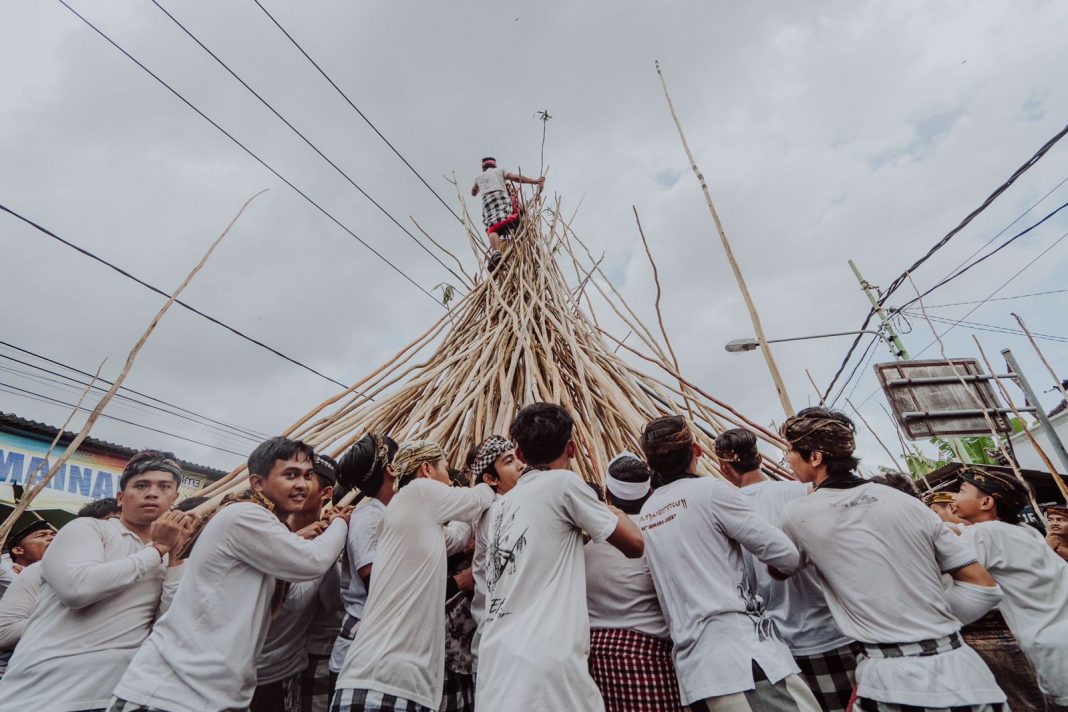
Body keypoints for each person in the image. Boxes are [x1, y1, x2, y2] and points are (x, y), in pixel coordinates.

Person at [777, 407, 1006, 712]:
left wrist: (900, 627)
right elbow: (983, 587)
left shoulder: (799, 513)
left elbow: (780, 568)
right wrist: (926, 620)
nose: (788, 460)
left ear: (815, 457)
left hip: (890, 682)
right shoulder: (906, 503)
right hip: (965, 674)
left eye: (790, 451)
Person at [111, 437, 351, 712]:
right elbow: (312, 561)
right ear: (258, 482)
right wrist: (339, 523)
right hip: (171, 692)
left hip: (217, 694)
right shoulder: (244, 515)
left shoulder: (270, 528)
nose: (301, 484)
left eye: (308, 476)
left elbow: (295, 594)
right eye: (290, 475)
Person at [638, 416, 816, 712]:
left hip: (696, 672)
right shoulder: (710, 492)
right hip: (745, 660)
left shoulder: (648, 512)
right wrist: (777, 568)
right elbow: (785, 554)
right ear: (696, 450)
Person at [476, 403, 645, 711]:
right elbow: (634, 544)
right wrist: (609, 507)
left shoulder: (499, 507)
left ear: (521, 455)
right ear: (572, 447)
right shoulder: (564, 484)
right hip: (548, 671)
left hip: (496, 670)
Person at [0, 450, 192, 711]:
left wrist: (176, 557)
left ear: (174, 498)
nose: (152, 493)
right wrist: (157, 549)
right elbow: (78, 589)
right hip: (42, 693)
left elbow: (168, 626)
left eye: (164, 487)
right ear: (121, 498)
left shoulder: (170, 556)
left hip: (115, 696)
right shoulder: (88, 529)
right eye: (142, 485)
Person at [332, 439, 496, 712]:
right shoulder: (419, 491)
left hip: (389, 683)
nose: (451, 480)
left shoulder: (402, 516)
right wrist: (486, 481)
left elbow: (455, 535)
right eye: (445, 468)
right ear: (426, 470)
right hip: (386, 684)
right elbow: (476, 501)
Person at [715, 428, 858, 712]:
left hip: (777, 646)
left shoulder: (723, 511)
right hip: (836, 629)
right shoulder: (805, 492)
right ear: (758, 456)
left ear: (724, 467)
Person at [954, 467, 1068, 709]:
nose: (955, 498)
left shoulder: (982, 534)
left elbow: (954, 571)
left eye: (962, 491)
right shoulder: (1024, 530)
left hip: (1051, 645)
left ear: (986, 502)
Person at [585, 451, 683, 712]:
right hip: (652, 655)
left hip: (597, 660)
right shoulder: (663, 534)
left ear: (607, 494)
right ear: (650, 493)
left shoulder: (584, 548)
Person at [251, 453, 342, 712]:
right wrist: (304, 545)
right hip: (235, 670)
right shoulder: (262, 526)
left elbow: (332, 602)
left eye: (306, 479)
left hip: (283, 672)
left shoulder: (328, 539)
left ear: (325, 492)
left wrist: (329, 546)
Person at [330, 434, 399, 676]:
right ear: (392, 468)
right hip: (362, 653)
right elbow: (378, 584)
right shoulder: (369, 518)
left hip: (378, 649)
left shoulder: (386, 513)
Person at [470, 156, 544, 269]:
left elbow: (473, 193)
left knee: (492, 228)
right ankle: (509, 253)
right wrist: (533, 181)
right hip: (501, 198)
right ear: (494, 165)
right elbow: (515, 177)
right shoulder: (500, 171)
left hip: (487, 201)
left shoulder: (478, 178)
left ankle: (495, 253)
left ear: (483, 167)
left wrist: (478, 188)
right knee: (510, 221)